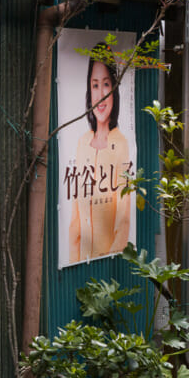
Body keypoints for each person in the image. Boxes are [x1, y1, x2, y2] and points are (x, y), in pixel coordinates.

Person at [66, 47, 134, 265]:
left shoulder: (121, 144)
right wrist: (73, 262)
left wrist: (109, 263)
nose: (101, 94)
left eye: (106, 84)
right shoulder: (82, 142)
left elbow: (123, 220)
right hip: (80, 263)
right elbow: (75, 219)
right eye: (95, 85)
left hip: (108, 267)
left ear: (114, 89)